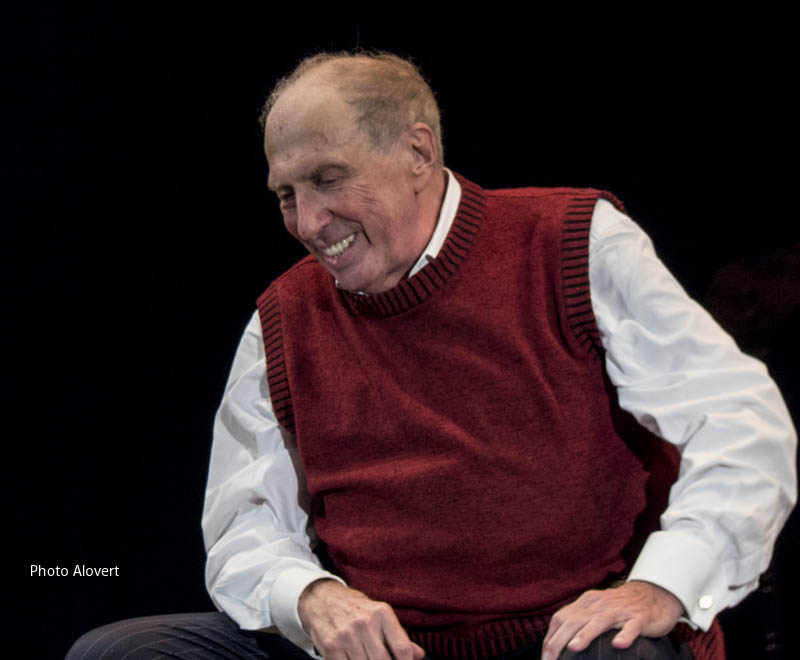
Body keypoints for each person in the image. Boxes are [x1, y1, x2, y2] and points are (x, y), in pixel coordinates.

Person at [67, 51, 796, 660]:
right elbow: (243, 522)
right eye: (286, 194)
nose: (308, 221)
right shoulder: (284, 318)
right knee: (121, 652)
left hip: (565, 639)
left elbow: (740, 421)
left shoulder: (571, 243)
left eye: (328, 178)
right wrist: (312, 597)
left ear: (417, 153)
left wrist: (661, 586)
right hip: (390, 650)